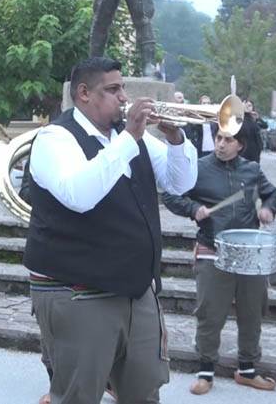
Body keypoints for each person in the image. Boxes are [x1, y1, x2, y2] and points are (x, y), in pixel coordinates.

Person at [24, 56, 198, 404]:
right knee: (78, 397)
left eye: (123, 88)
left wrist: (176, 138)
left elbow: (180, 183)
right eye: (113, 89)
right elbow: (80, 195)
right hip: (78, 292)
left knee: (144, 394)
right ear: (84, 94)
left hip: (136, 290)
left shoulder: (129, 139)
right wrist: (130, 137)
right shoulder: (54, 138)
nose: (124, 97)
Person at [162, 130, 276, 395]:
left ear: (240, 145)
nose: (221, 144)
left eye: (228, 140)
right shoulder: (199, 168)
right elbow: (171, 195)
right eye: (219, 138)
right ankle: (205, 371)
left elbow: (273, 194)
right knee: (210, 313)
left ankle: (247, 370)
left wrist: (268, 209)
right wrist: (193, 209)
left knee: (252, 312)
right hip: (212, 249)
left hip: (248, 253)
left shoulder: (252, 169)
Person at [237, 99, 267, 164]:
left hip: (255, 150)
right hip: (244, 149)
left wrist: (258, 118)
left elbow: (265, 126)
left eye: (250, 105)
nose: (248, 107)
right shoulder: (240, 118)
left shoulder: (253, 118)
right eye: (246, 105)